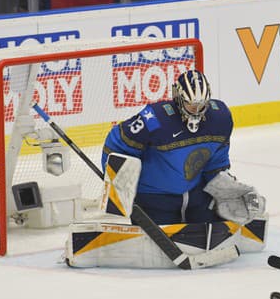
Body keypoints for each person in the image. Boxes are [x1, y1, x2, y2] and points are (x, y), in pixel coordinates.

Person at [101, 69, 264, 226]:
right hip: (154, 199)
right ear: (178, 98)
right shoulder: (155, 118)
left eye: (202, 105)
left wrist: (226, 188)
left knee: (213, 229)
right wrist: (116, 181)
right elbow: (117, 143)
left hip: (196, 197)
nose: (197, 111)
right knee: (162, 243)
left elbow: (217, 160)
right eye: (191, 105)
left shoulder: (220, 118)